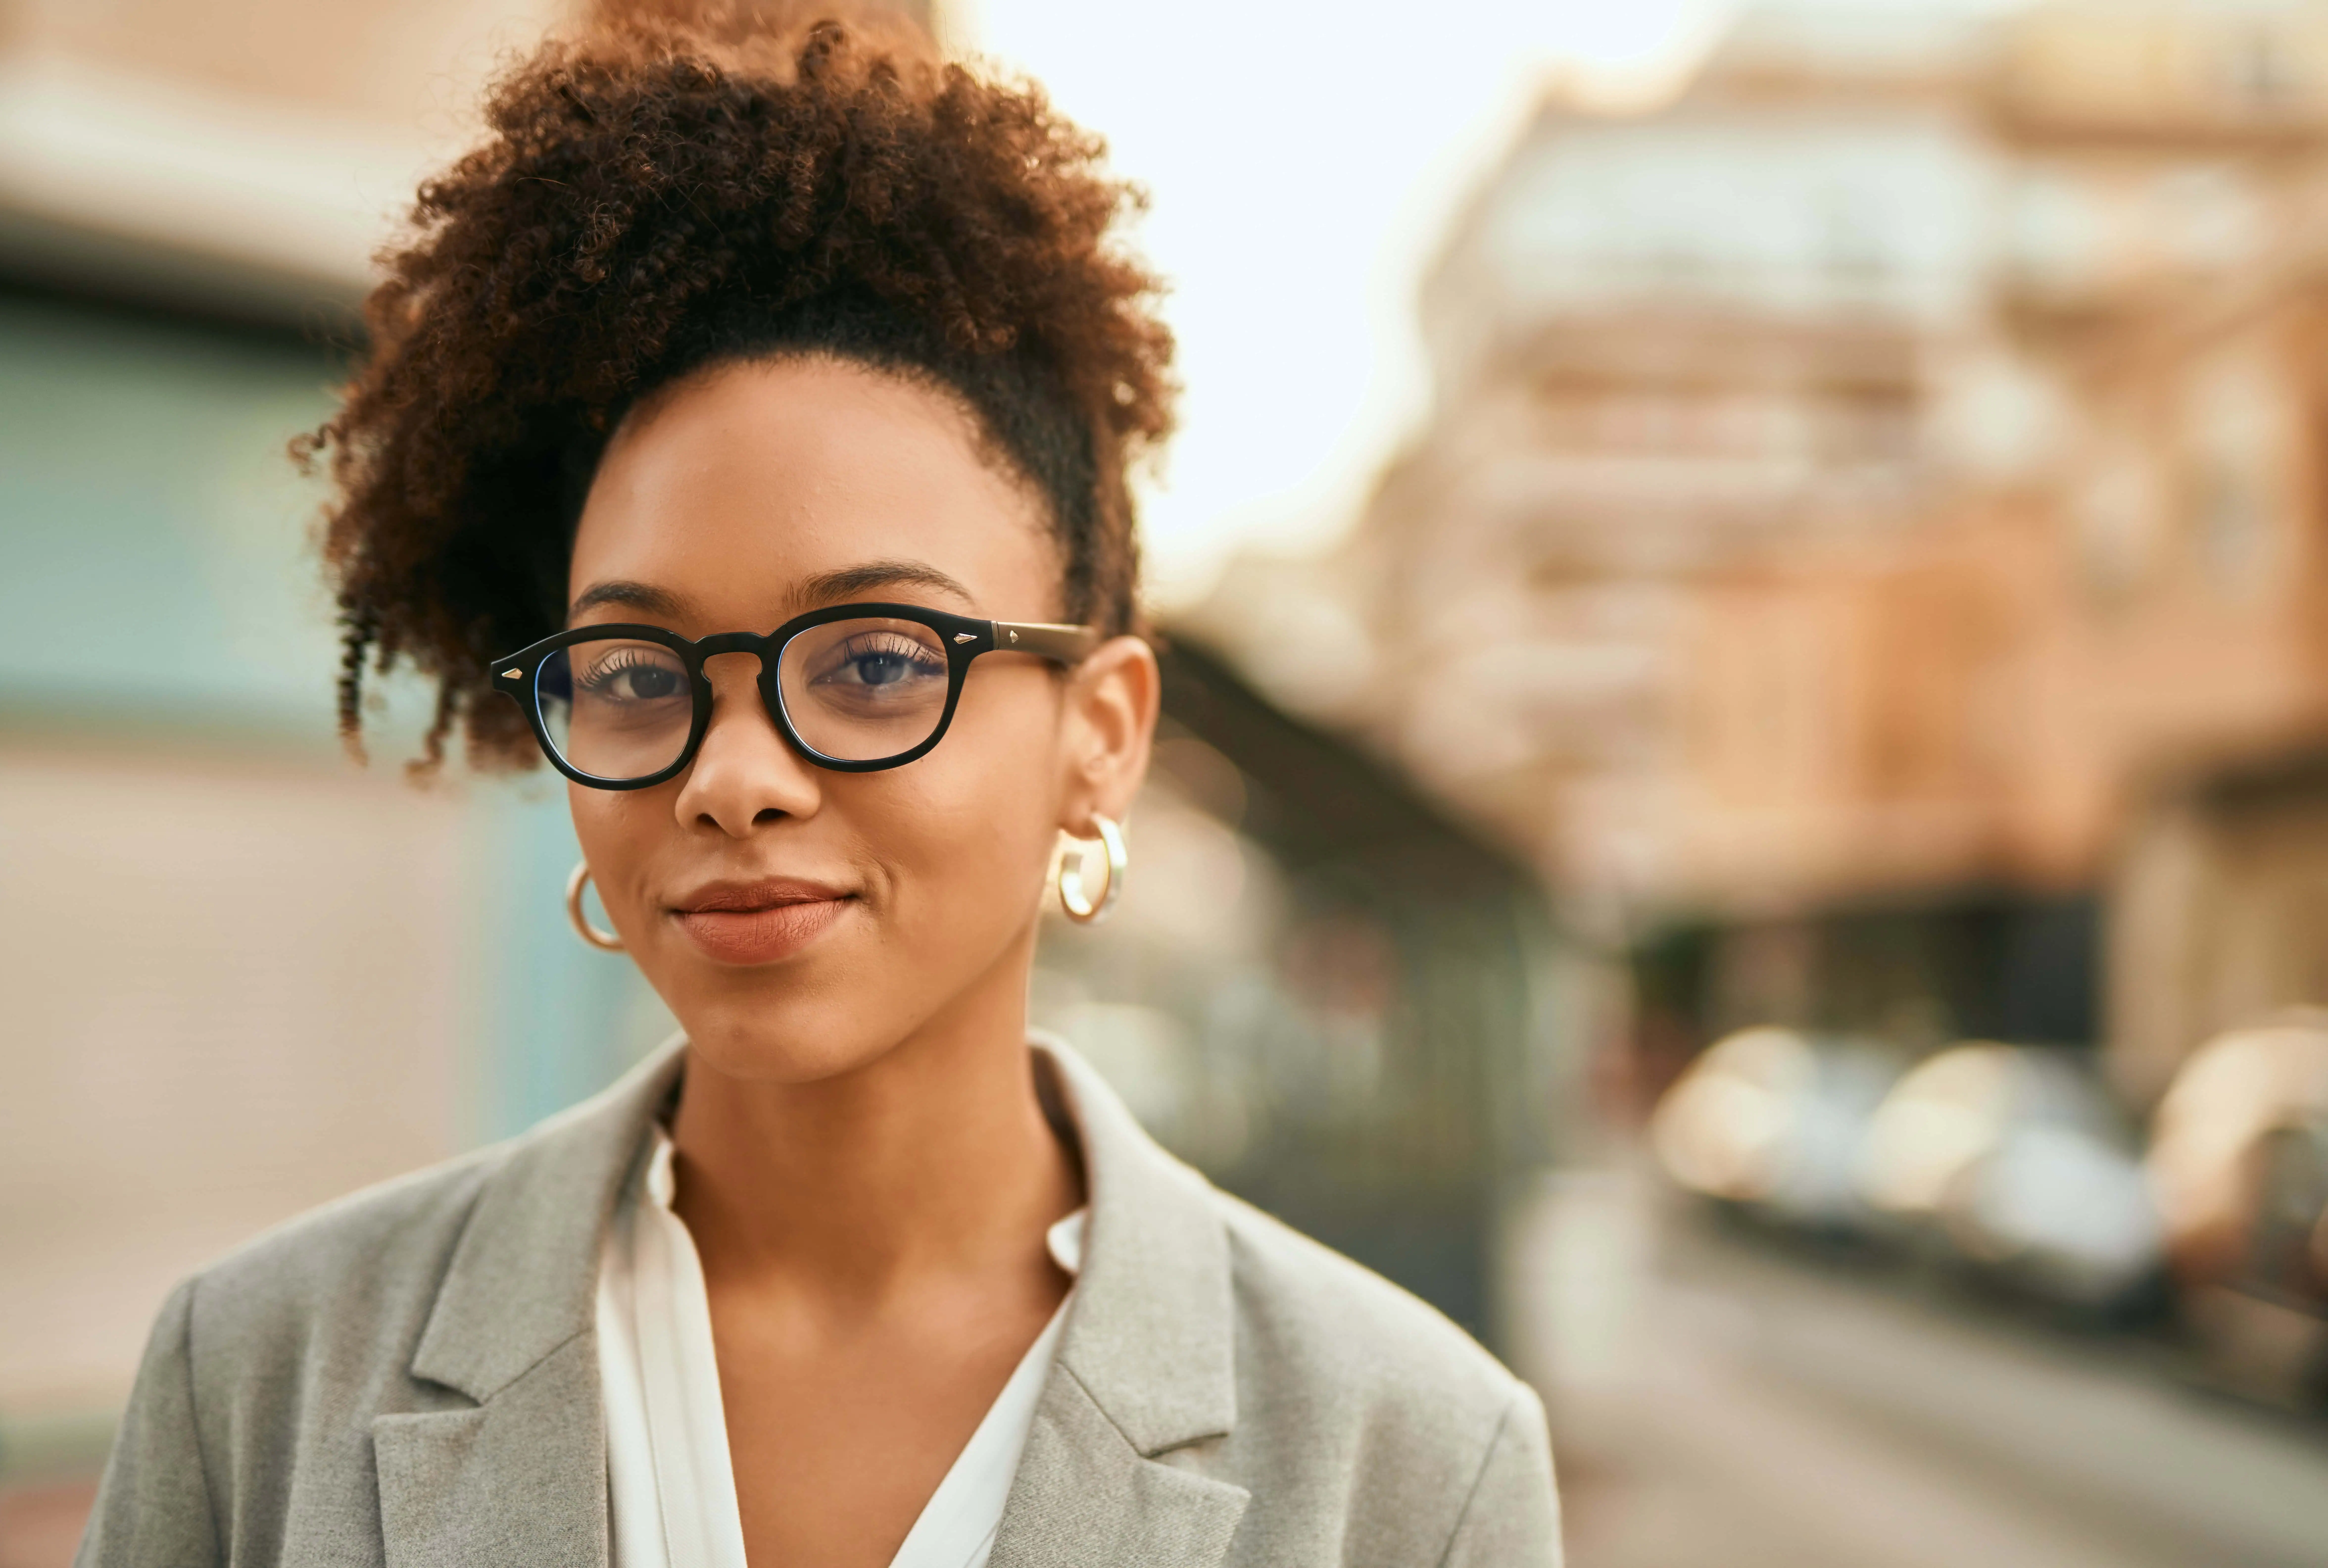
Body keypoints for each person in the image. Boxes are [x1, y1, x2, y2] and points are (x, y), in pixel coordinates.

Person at [76, 5, 1561, 1565]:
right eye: (641, 678)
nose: (731, 779)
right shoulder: (255, 1380)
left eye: (871, 663)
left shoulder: (1412, 1461)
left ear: (1102, 734)